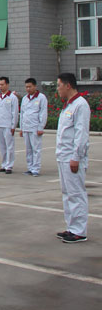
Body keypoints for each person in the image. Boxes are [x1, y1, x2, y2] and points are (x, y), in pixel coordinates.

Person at [56, 72, 90, 243]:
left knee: (76, 193)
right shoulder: (68, 105)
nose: (58, 89)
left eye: (59, 85)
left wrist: (76, 156)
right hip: (63, 156)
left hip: (72, 158)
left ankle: (79, 231)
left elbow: (81, 134)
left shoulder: (80, 105)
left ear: (68, 85)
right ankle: (71, 227)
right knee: (67, 193)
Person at [19, 78, 48, 176]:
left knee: (36, 149)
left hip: (35, 127)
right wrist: (21, 128)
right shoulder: (25, 98)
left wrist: (41, 127)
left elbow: (43, 113)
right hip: (26, 127)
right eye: (26, 87)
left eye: (30, 87)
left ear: (35, 86)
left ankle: (36, 169)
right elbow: (22, 113)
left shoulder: (41, 98)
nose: (28, 89)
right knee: (28, 150)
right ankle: (30, 167)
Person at [0, 77, 19, 175]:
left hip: (8, 125)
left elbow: (15, 113)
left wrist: (13, 126)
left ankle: (9, 165)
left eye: (2, 84)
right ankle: (4, 164)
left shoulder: (12, 97)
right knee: (2, 146)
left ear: (7, 85)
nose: (0, 86)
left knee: (9, 146)